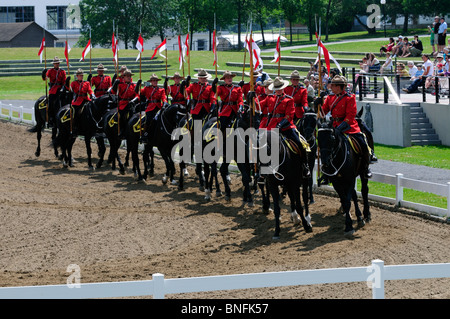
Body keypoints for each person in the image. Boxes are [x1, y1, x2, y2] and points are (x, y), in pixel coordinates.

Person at [316, 75, 373, 179]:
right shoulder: (330, 98)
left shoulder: (350, 98)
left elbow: (350, 116)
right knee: (325, 145)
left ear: (339, 87)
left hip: (349, 127)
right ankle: (327, 170)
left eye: (333, 85)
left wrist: (340, 128)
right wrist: (318, 105)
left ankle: (366, 167)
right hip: (333, 126)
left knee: (363, 143)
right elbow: (323, 114)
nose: (331, 87)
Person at [257, 77, 311, 179]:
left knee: (300, 144)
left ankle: (305, 166)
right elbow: (258, 105)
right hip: (271, 128)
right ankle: (262, 169)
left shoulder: (289, 99)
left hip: (286, 127)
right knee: (261, 145)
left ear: (284, 88)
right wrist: (252, 98)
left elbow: (289, 115)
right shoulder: (270, 98)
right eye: (277, 88)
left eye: (280, 88)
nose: (279, 90)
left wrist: (280, 125)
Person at [111, 69, 140, 139]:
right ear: (123, 77)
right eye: (127, 76)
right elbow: (113, 92)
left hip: (132, 104)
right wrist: (115, 84)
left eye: (130, 76)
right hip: (123, 103)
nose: (129, 77)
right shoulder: (120, 85)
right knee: (121, 115)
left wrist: (134, 100)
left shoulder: (133, 85)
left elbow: (137, 95)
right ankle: (122, 130)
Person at [140, 74, 168, 143]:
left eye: (156, 81)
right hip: (150, 107)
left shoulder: (161, 90)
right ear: (151, 82)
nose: (155, 82)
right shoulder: (147, 88)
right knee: (148, 119)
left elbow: (164, 97)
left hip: (158, 107)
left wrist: (165, 103)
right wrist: (138, 85)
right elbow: (140, 93)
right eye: (153, 81)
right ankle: (145, 133)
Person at [43, 56, 67, 127]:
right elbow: (46, 78)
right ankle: (50, 118)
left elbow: (64, 81)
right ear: (53, 64)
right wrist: (44, 74)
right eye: (55, 63)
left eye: (58, 63)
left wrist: (64, 88)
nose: (57, 64)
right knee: (50, 103)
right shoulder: (50, 71)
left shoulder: (62, 71)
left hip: (60, 89)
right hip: (53, 90)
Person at [70, 68, 95, 136]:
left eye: (82, 75)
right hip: (77, 100)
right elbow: (70, 90)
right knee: (76, 113)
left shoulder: (86, 83)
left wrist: (92, 95)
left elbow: (90, 90)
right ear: (77, 76)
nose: (81, 76)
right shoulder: (74, 83)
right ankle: (75, 127)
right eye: (80, 75)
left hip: (85, 99)